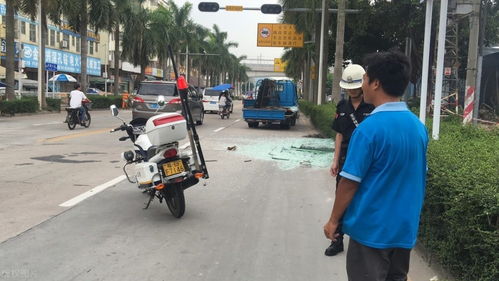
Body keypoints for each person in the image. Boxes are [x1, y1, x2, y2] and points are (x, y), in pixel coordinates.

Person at [323, 51, 429, 281]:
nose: (362, 84)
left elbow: (349, 183)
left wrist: (333, 220)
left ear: (376, 83)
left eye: (365, 79)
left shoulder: (369, 130)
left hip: (372, 231)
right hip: (404, 230)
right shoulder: (418, 127)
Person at [325, 64, 374, 257]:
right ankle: (337, 241)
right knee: (342, 199)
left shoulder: (373, 106)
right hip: (347, 160)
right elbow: (339, 135)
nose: (351, 90)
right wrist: (335, 160)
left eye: (354, 86)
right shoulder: (342, 106)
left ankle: (364, 243)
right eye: (348, 87)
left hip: (368, 162)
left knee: (366, 201)